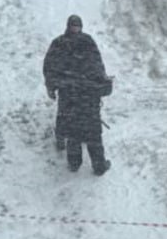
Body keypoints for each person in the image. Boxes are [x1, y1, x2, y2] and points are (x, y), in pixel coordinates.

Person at [42, 14, 113, 175]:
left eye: (77, 26)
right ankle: (86, 164)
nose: (75, 29)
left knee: (78, 129)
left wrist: (52, 86)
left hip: (76, 92)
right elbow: (50, 67)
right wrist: (51, 86)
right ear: (68, 26)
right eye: (74, 26)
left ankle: (86, 164)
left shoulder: (62, 43)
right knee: (80, 130)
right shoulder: (81, 42)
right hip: (81, 93)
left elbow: (97, 64)